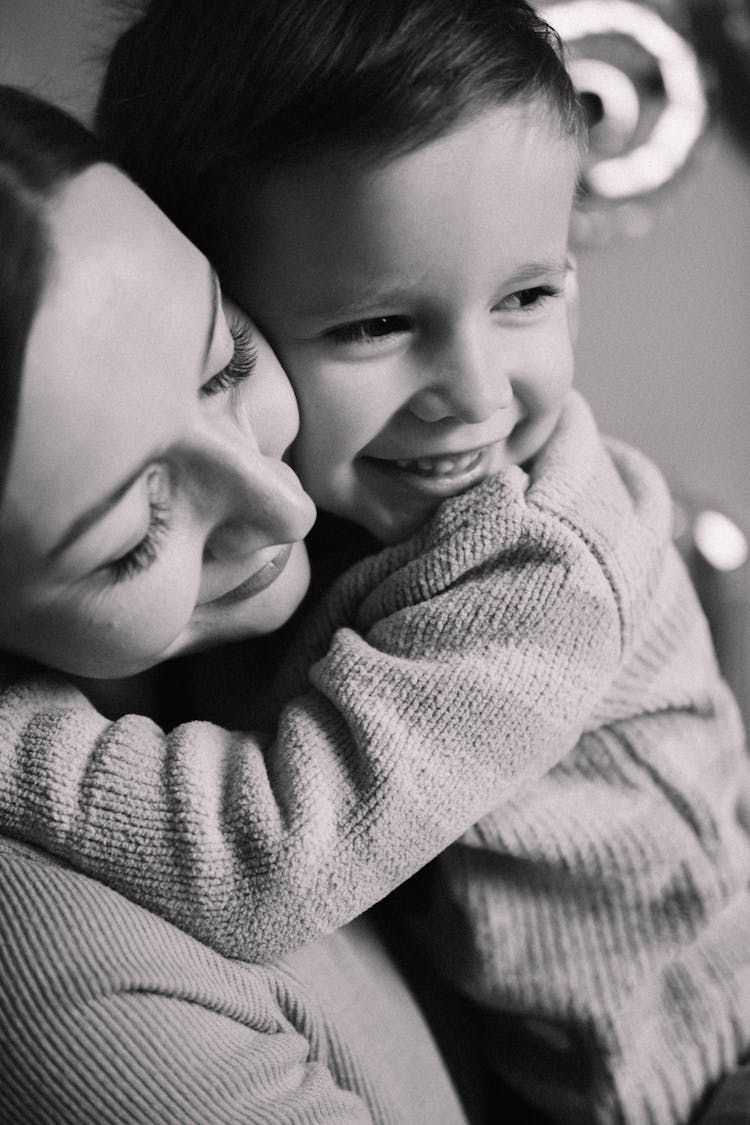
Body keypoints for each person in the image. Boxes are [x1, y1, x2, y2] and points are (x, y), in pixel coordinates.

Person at [0, 0, 748, 1119]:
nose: (481, 396)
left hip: (675, 1070)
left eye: (529, 296)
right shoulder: (360, 516)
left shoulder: (535, 564)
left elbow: (267, 861)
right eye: (372, 328)